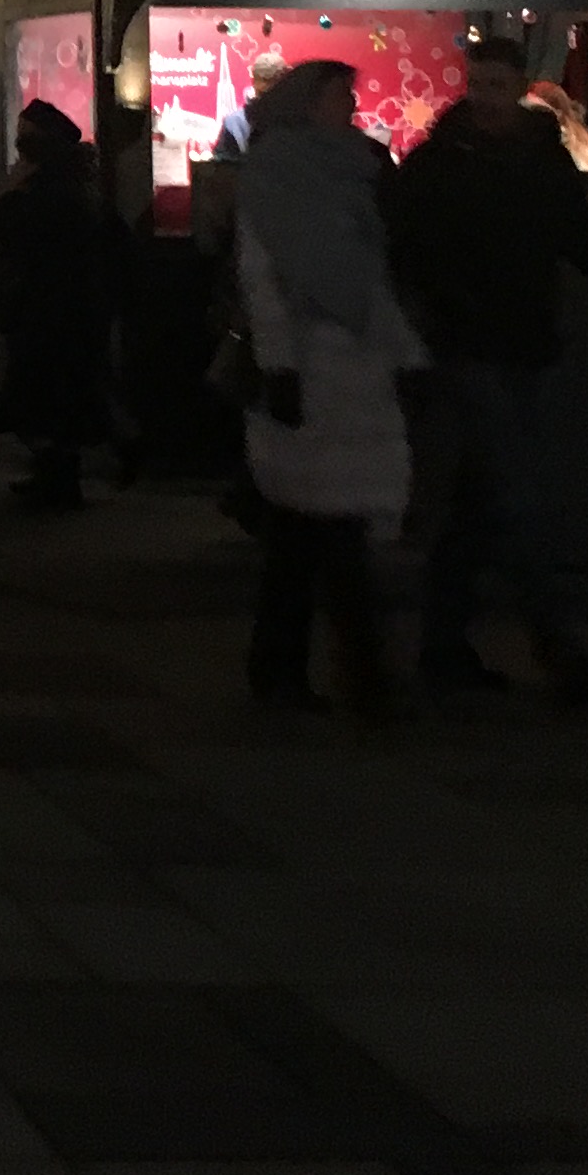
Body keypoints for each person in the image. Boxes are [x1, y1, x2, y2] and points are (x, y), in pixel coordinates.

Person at [390, 35, 588, 703]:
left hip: (505, 341)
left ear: (518, 86)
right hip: (476, 345)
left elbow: (579, 239)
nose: (487, 98)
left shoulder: (477, 158)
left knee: (480, 499)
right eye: (480, 85)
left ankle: (446, 646)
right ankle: (553, 644)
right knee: (518, 496)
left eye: (497, 86)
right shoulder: (461, 161)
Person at [237, 58, 422, 718]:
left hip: (354, 367)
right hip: (315, 368)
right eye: (338, 94)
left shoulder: (357, 167)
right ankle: (358, 672)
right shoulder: (280, 173)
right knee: (330, 528)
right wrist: (279, 366)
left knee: (306, 529)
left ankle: (289, 667)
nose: (349, 104)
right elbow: (263, 279)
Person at [0, 100, 108, 511]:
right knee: (52, 397)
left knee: (52, 395)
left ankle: (59, 480)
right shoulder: (69, 183)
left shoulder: (55, 188)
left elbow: (16, 229)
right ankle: (52, 474)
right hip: (58, 305)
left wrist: (14, 194)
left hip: (55, 307)